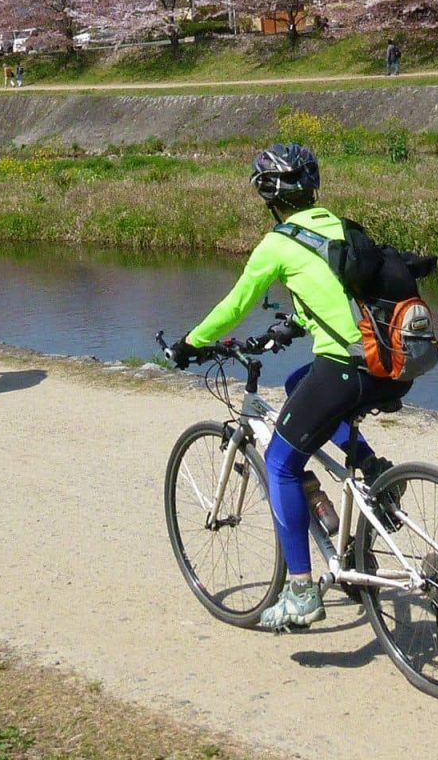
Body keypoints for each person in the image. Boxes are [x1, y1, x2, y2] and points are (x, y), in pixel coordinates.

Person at [169, 143, 400, 632]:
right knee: (299, 380)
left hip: (345, 367)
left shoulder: (278, 242)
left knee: (280, 462)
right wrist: (295, 323)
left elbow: (236, 305)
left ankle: (299, 590)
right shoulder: (338, 226)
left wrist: (192, 342)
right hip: (389, 363)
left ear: (269, 194)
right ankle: (372, 471)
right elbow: (336, 292)